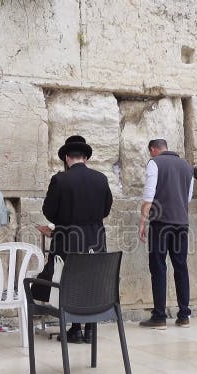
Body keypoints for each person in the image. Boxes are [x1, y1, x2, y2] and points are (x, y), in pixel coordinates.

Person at [37, 135, 113, 343]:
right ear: (85, 158)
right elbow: (106, 209)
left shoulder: (60, 180)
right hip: (96, 238)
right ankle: (90, 328)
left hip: (68, 239)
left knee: (68, 281)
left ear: (67, 157)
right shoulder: (101, 179)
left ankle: (75, 328)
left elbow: (49, 211)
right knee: (91, 280)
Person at [138, 139, 194, 329]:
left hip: (161, 223)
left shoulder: (155, 163)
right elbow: (188, 197)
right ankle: (184, 314)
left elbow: (148, 196)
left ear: (153, 150)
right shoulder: (187, 166)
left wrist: (142, 222)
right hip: (181, 223)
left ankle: (159, 316)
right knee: (181, 267)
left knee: (158, 267)